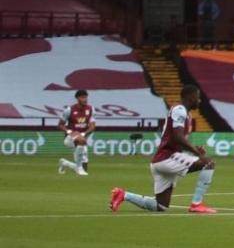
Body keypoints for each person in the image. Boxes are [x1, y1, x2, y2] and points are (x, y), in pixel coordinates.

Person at [110, 84, 217, 214]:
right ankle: (196, 204)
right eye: (198, 97)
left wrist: (194, 150)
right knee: (208, 163)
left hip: (160, 161)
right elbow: (178, 137)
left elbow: (177, 139)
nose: (199, 101)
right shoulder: (179, 109)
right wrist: (196, 153)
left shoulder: (185, 114)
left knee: (161, 206)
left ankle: (124, 195)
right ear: (191, 97)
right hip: (167, 157)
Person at [57, 89, 95, 176]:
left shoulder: (91, 109)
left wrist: (84, 134)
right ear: (77, 98)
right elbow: (60, 125)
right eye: (82, 97)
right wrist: (70, 131)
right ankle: (79, 167)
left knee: (85, 170)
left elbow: (92, 126)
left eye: (86, 97)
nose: (85, 99)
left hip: (82, 137)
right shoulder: (69, 110)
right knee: (81, 140)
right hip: (70, 138)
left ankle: (65, 163)